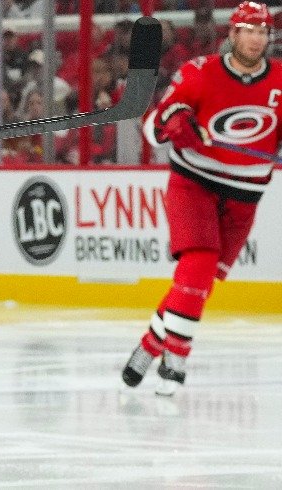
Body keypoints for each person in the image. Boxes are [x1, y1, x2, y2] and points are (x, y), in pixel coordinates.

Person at [122, 2, 281, 396]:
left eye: (262, 31)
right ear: (233, 34)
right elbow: (153, 125)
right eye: (249, 30)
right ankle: (176, 357)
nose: (256, 38)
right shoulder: (198, 72)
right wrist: (174, 124)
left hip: (246, 193)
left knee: (201, 282)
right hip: (194, 181)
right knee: (199, 260)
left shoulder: (281, 79)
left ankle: (149, 344)